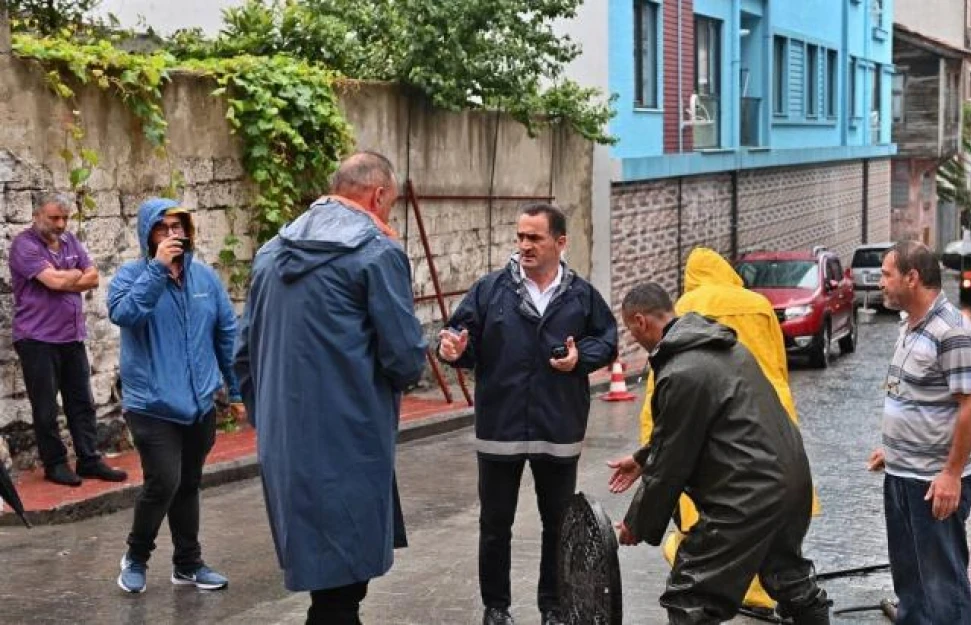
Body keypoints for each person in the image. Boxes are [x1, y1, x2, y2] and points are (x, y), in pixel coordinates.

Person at [235, 151, 427, 625]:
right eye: (391, 206)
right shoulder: (377, 253)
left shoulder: (269, 254)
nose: (389, 217)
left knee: (330, 585)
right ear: (378, 195)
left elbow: (244, 352)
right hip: (350, 435)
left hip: (285, 438)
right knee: (343, 586)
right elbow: (404, 357)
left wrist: (267, 414)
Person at [438, 203, 618, 625]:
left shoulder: (582, 295)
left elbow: (606, 341)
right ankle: (495, 609)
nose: (524, 246)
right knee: (495, 525)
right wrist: (454, 351)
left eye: (534, 238)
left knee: (557, 526)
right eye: (520, 237)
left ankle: (552, 608)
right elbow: (460, 339)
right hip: (500, 428)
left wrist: (580, 358)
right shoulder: (489, 290)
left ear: (560, 242)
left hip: (558, 429)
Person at [609, 283, 830, 625]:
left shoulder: (682, 370)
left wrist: (637, 524)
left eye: (630, 330)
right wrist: (641, 460)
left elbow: (671, 463)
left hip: (749, 495)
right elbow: (688, 428)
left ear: (640, 321)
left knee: (689, 596)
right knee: (788, 577)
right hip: (790, 482)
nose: (633, 338)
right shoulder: (725, 348)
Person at [108, 198, 242, 594]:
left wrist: (235, 390)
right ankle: (135, 557)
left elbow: (226, 334)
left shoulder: (205, 279)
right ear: (147, 234)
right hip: (151, 404)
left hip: (198, 403)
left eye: (178, 227)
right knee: (163, 481)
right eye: (163, 228)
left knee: (188, 484)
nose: (173, 234)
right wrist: (157, 271)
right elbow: (127, 314)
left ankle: (188, 564)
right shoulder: (130, 276)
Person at [867, 241, 971, 625]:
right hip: (902, 475)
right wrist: (894, 452)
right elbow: (915, 396)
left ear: (912, 278)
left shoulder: (951, 331)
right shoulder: (910, 327)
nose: (880, 283)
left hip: (933, 485)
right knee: (910, 583)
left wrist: (951, 473)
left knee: (942, 589)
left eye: (886, 275)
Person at [8, 194, 127, 486]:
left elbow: (94, 277)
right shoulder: (24, 245)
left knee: (82, 403)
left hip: (71, 336)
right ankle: (56, 464)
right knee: (46, 407)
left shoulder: (71, 242)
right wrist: (74, 275)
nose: (60, 224)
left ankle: (89, 459)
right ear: (37, 216)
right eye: (54, 218)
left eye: (64, 218)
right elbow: (54, 282)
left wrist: (70, 277)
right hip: (36, 338)